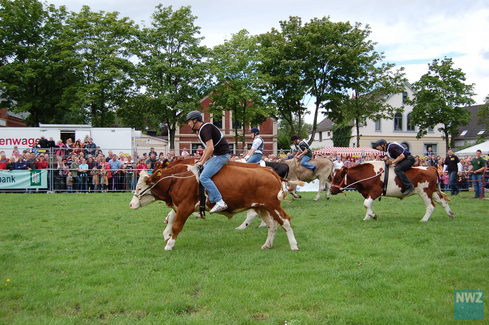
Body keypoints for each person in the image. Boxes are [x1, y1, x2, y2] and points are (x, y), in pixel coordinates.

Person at [186, 110, 230, 213]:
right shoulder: (204, 128)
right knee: (199, 170)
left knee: (203, 177)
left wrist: (202, 162)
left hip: (221, 156)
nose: (188, 124)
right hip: (218, 155)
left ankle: (220, 202)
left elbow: (210, 149)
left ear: (195, 120)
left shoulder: (204, 129)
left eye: (189, 122)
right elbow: (207, 149)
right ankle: (205, 200)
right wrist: (200, 161)